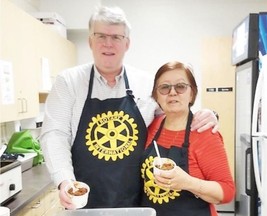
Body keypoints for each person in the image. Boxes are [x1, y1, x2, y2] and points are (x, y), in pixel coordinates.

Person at [39, 6, 219, 210]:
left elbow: (175, 116)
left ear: (127, 43)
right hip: (83, 200)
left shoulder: (146, 82)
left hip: (135, 201)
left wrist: (208, 115)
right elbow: (55, 134)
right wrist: (65, 181)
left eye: (116, 36)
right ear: (90, 41)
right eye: (101, 36)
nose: (108, 43)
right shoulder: (69, 82)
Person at [140, 61, 235, 216]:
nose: (172, 92)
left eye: (181, 86)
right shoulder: (151, 125)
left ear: (191, 93)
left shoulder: (204, 133)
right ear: (156, 95)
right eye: (164, 87)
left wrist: (188, 183)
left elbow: (227, 192)